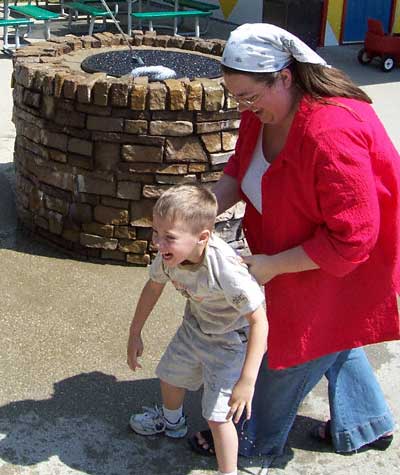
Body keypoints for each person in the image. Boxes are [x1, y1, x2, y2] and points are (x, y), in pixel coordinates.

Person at [190, 23, 400, 463]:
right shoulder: (260, 114)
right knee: (337, 331)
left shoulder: (331, 133)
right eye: (237, 97)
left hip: (342, 258)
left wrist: (272, 266)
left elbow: (354, 238)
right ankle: (368, 421)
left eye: (250, 96)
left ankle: (252, 436)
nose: (244, 107)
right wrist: (198, 212)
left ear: (284, 77)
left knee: (290, 346)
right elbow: (239, 170)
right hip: (291, 250)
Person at [127, 184, 268, 475]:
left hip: (230, 341)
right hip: (194, 327)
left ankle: (228, 472)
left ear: (202, 237)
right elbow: (153, 288)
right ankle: (172, 423)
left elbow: (259, 321)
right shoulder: (169, 257)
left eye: (169, 237)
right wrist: (135, 332)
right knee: (169, 376)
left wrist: (248, 380)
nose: (158, 243)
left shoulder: (227, 270)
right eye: (156, 232)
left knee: (218, 417)